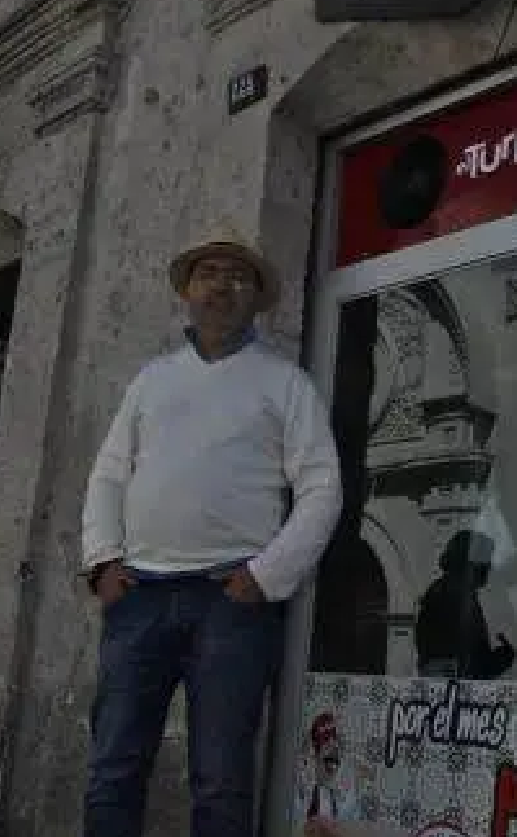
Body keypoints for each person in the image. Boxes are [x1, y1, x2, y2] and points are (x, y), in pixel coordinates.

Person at [81, 221, 344, 837]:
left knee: (221, 782)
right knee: (113, 768)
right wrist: (102, 563)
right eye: (208, 273)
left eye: (236, 276)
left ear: (255, 296)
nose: (221, 286)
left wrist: (265, 576)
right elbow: (109, 475)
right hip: (139, 597)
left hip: (230, 603)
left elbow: (322, 488)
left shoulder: (286, 383)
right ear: (188, 292)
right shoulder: (151, 380)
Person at [415, 530, 516, 680]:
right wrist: (497, 660)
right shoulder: (451, 596)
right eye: (485, 560)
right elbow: (461, 664)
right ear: (469, 562)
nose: (488, 567)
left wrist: (497, 659)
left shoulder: (453, 593)